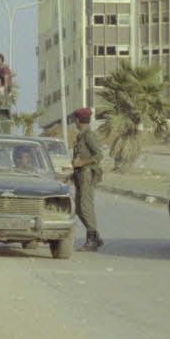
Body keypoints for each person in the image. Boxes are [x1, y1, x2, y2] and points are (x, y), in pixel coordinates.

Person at [70, 107, 104, 251]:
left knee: (85, 207)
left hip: (87, 173)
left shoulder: (89, 135)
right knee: (78, 208)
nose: (74, 122)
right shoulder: (81, 135)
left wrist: (82, 163)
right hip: (80, 173)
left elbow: (99, 155)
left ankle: (92, 239)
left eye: (75, 120)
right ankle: (96, 237)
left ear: (78, 120)